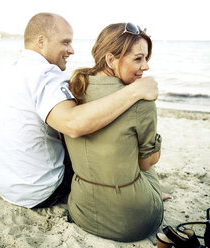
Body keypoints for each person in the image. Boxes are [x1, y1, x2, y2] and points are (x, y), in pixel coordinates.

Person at [0, 13, 159, 209]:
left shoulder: (10, 69)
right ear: (41, 41)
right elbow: (73, 124)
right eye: (65, 42)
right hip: (39, 190)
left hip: (4, 183)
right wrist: (136, 90)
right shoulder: (45, 75)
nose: (72, 50)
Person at [64, 22, 164, 242]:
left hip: (82, 211)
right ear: (111, 59)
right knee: (148, 165)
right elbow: (147, 164)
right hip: (134, 222)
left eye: (146, 58)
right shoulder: (140, 100)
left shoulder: (73, 88)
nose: (145, 66)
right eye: (138, 58)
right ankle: (154, 195)